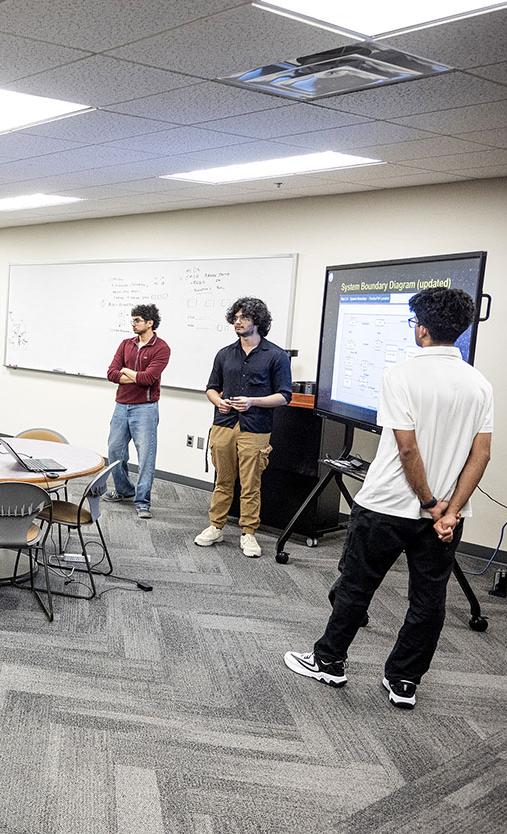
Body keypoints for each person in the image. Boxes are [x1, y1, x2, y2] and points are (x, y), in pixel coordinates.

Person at [284, 287, 493, 709]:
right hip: (445, 518)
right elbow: (481, 453)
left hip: (387, 507)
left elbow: (407, 449)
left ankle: (329, 661)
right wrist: (448, 511)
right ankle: (403, 682)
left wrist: (430, 501)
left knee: (356, 586)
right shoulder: (479, 384)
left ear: (422, 330)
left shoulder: (401, 375)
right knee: (428, 599)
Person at [194, 297, 292, 557]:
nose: (238, 322)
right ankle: (216, 526)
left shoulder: (276, 356)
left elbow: (284, 396)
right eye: (235, 318)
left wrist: (252, 401)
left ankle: (248, 533)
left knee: (250, 484)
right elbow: (211, 388)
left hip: (255, 427)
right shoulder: (225, 353)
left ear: (257, 321)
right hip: (224, 424)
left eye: (244, 318)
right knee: (223, 480)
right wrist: (219, 401)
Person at [105, 303, 170, 519]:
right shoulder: (125, 344)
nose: (133, 323)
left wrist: (127, 372)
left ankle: (142, 501)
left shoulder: (161, 348)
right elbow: (112, 373)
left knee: (146, 457)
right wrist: (131, 374)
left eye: (138, 320)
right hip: (121, 405)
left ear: (150, 323)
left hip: (146, 408)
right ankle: (124, 490)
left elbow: (148, 379)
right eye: (132, 319)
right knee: (115, 450)